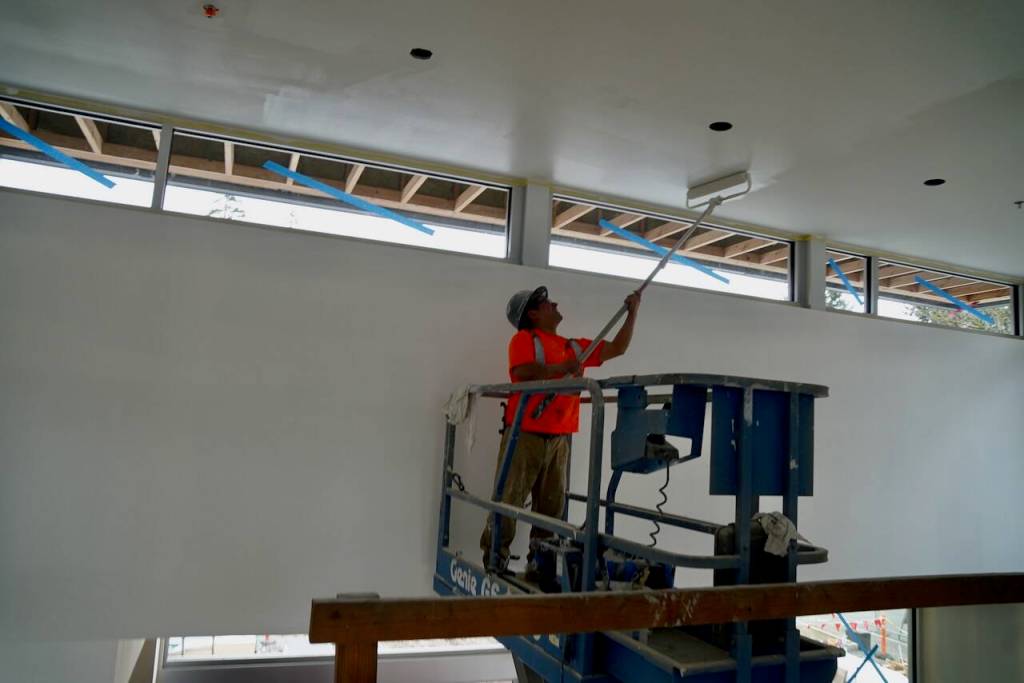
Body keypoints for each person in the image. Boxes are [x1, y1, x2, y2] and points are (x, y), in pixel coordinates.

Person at [480, 285, 641, 579]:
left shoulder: (575, 347)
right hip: (525, 432)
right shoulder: (524, 339)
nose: (554, 303)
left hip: (560, 437)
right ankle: (494, 557)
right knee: (509, 498)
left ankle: (540, 560)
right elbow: (521, 373)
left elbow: (617, 348)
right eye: (546, 303)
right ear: (532, 313)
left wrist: (632, 312)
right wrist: (561, 369)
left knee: (551, 506)